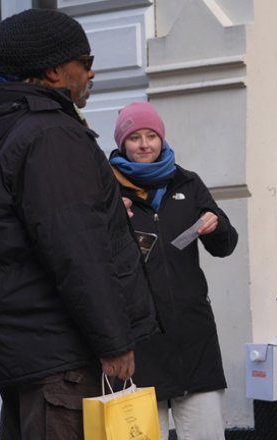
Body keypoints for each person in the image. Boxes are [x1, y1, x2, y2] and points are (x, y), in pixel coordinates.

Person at [0, 9, 157, 439]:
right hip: (63, 358)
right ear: (54, 71)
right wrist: (113, 341)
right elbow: (76, 251)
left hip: (31, 353)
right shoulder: (48, 134)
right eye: (85, 60)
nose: (92, 71)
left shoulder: (4, 131)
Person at [109, 101, 238, 440]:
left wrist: (218, 226)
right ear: (122, 143)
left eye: (151, 135)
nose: (144, 144)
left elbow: (225, 247)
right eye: (134, 137)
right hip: (136, 349)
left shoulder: (187, 182)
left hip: (194, 344)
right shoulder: (105, 189)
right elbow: (87, 258)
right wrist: (108, 220)